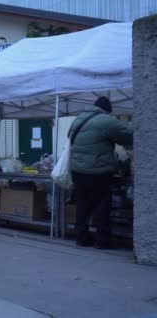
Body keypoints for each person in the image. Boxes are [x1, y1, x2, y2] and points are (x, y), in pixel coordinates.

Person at [69, 96, 133, 249]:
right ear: (107, 110)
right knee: (101, 206)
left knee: (83, 206)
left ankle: (81, 238)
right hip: (97, 172)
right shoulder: (106, 120)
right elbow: (128, 135)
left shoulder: (78, 119)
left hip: (77, 171)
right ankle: (102, 241)